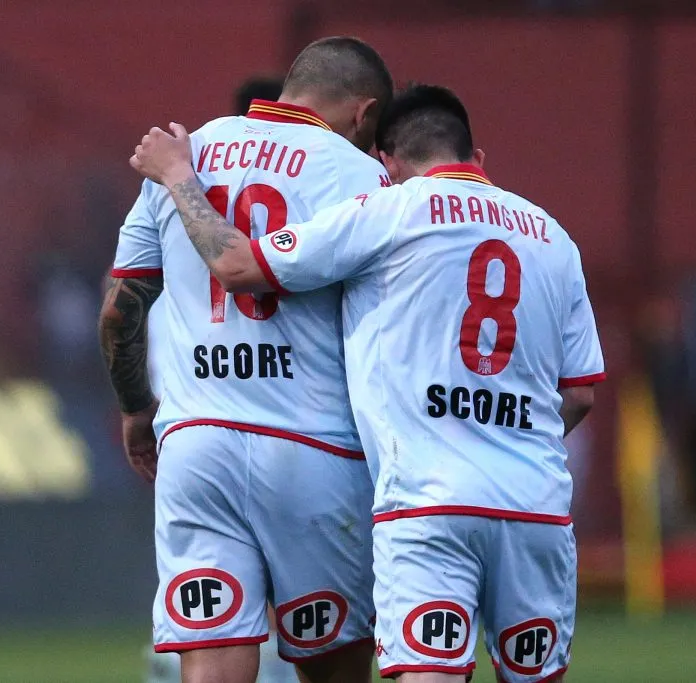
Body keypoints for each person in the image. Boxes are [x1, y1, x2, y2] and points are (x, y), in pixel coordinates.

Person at [131, 84, 605, 683]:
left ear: (389, 164)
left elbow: (237, 266)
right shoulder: (553, 237)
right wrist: (508, 436)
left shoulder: (389, 210)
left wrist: (179, 177)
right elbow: (581, 392)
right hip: (536, 505)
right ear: (476, 158)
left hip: (426, 503)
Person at [99, 36, 393, 683]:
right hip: (315, 449)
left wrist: (134, 409)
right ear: (365, 114)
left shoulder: (187, 151)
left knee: (210, 663)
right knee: (334, 670)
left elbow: (120, 309)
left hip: (196, 445)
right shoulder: (362, 176)